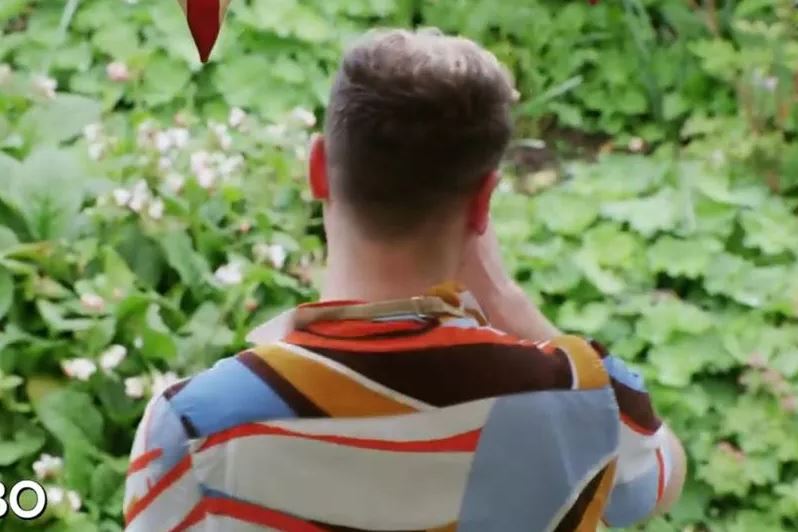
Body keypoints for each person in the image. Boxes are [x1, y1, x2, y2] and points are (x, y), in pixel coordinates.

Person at [123, 28, 686, 531]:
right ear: (484, 200)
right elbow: (658, 479)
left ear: (318, 168)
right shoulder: (579, 399)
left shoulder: (196, 427)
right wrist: (509, 301)